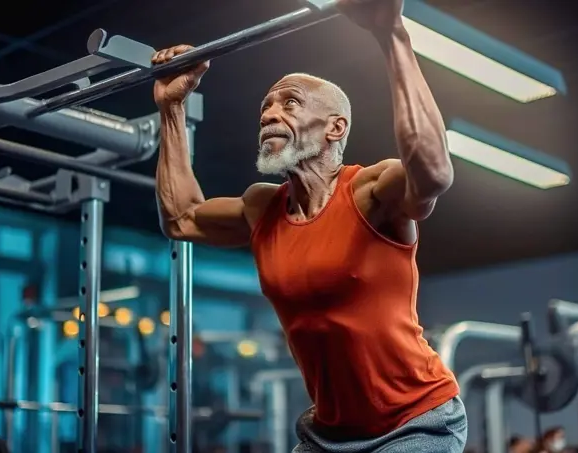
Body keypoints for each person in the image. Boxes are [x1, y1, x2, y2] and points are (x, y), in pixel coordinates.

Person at [152, 0, 467, 451]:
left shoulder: (372, 192)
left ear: (335, 128)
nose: (268, 115)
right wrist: (172, 107)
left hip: (416, 421)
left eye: (290, 102)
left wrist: (391, 34)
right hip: (328, 434)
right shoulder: (263, 207)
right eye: (266, 106)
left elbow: (434, 172)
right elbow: (181, 218)